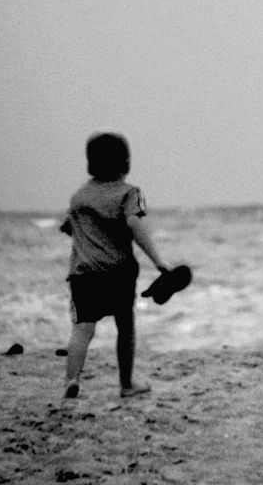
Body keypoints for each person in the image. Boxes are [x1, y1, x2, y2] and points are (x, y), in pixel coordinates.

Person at [59, 132, 170, 400]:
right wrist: (158, 261)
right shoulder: (131, 194)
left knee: (83, 329)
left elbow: (68, 227)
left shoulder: (78, 198)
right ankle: (126, 384)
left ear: (90, 164)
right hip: (118, 274)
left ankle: (71, 380)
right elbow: (134, 224)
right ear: (127, 162)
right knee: (125, 325)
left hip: (84, 274)